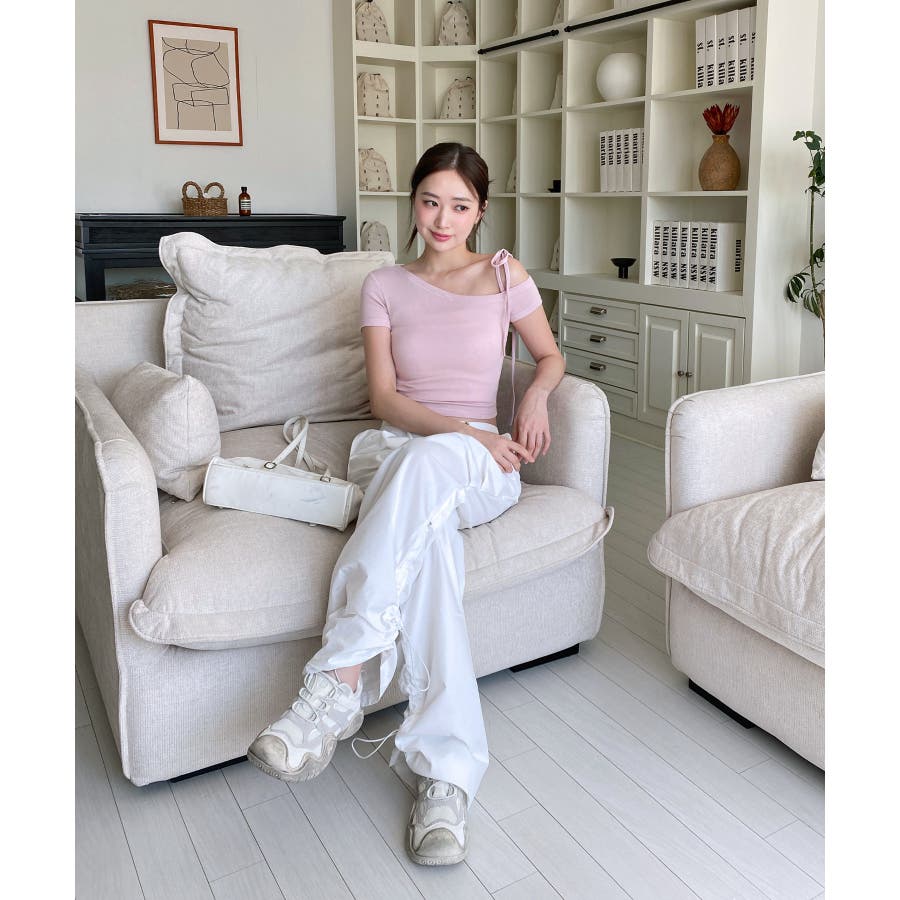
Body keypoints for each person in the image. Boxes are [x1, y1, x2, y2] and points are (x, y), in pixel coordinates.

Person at [247, 143, 565, 866]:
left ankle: (335, 685)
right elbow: (386, 400)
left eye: (460, 205)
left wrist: (537, 397)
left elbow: (550, 356)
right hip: (399, 450)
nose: (443, 219)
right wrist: (462, 433)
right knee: (431, 544)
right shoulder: (385, 285)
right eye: (430, 202)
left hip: (481, 465)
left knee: (432, 469)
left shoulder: (506, 276)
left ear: (480, 211)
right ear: (413, 203)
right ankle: (445, 780)